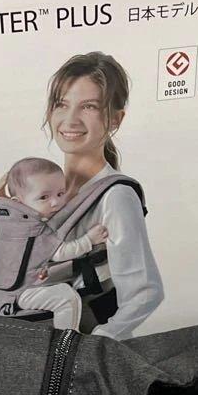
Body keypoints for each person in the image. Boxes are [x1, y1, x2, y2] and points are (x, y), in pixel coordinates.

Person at [41, 52, 163, 339]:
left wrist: (97, 344)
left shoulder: (115, 196)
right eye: (62, 104)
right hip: (41, 341)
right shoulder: (42, 192)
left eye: (89, 107)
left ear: (115, 119)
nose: (70, 119)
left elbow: (145, 292)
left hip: (85, 345)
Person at [0, 156, 108, 330]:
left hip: (22, 287)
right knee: (66, 298)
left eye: (60, 194)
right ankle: (65, 340)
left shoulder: (14, 223)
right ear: (19, 204)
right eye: (44, 197)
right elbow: (60, 253)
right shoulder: (30, 229)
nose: (56, 202)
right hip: (20, 293)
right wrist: (89, 240)